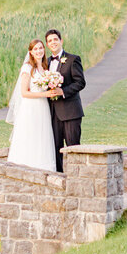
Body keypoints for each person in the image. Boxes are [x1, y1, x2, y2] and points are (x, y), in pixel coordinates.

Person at [5, 39, 59, 171]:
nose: (39, 51)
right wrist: (44, 95)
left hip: (43, 108)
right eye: (35, 49)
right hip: (30, 107)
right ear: (31, 52)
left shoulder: (45, 68)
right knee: (30, 135)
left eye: (40, 48)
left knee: (42, 136)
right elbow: (24, 92)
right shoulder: (27, 68)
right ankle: (25, 167)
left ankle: (44, 166)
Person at [45, 29, 86, 172]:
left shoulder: (73, 59)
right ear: (47, 45)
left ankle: (77, 178)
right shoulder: (46, 62)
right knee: (55, 148)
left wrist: (63, 91)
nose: (53, 42)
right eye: (50, 41)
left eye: (55, 39)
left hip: (70, 112)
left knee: (73, 147)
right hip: (52, 113)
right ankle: (60, 179)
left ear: (61, 41)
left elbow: (80, 82)